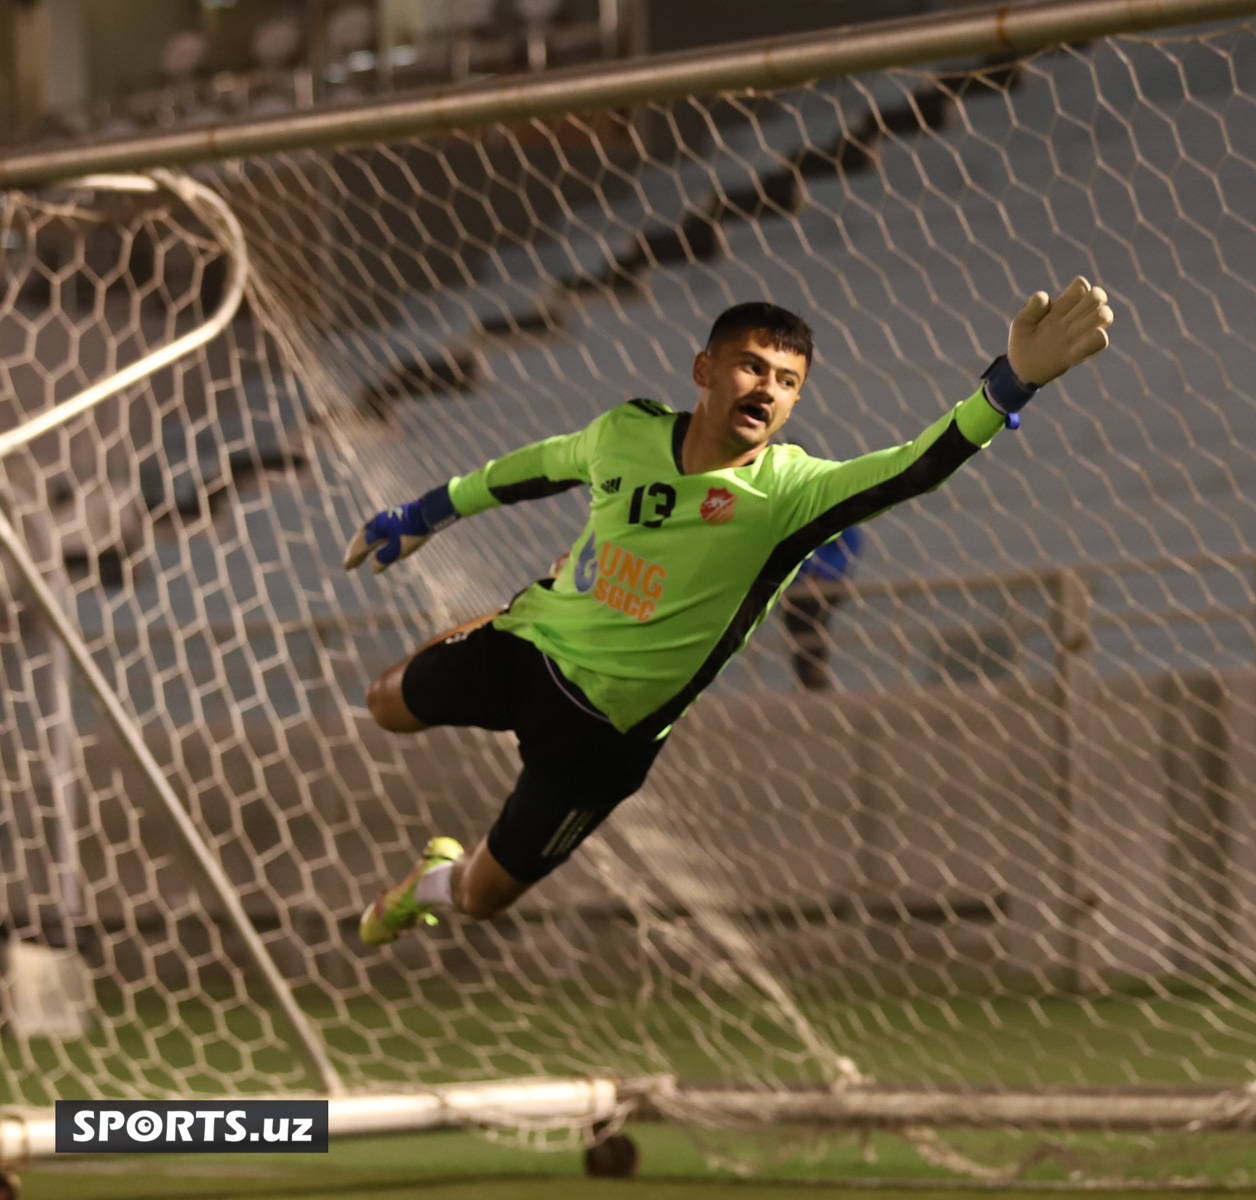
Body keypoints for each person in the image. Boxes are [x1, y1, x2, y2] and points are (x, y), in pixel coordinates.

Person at [344, 281, 1114, 945]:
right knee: (385, 704)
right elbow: (536, 468)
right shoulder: (628, 433)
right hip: (529, 646)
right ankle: (514, 615)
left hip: (601, 740)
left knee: (481, 899)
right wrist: (422, 513)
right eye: (752, 366)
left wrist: (1010, 384)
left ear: (795, 400)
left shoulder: (791, 495)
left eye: (786, 380)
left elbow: (916, 466)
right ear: (705, 370)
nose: (766, 389)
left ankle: (427, 884)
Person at [782, 524, 863, 691]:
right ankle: (809, 676)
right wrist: (800, 577)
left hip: (825, 585)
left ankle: (812, 675)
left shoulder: (834, 510)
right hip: (794, 586)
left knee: (812, 623)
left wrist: (824, 575)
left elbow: (849, 544)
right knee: (799, 628)